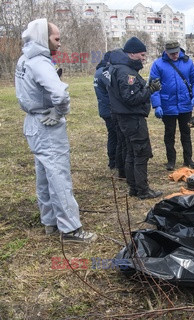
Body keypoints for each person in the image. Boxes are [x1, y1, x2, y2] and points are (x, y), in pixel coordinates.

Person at [15, 19, 96, 243]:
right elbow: (60, 95)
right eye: (56, 39)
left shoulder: (24, 59)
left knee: (43, 174)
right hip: (47, 124)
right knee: (58, 175)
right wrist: (59, 113)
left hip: (32, 123)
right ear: (43, 38)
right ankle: (71, 229)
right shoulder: (40, 62)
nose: (60, 44)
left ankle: (50, 221)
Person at [107, 37, 162, 199]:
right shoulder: (126, 72)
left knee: (131, 152)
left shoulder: (119, 68)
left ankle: (134, 188)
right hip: (132, 119)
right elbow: (130, 98)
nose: (144, 59)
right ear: (132, 54)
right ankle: (142, 190)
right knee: (141, 153)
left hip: (125, 118)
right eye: (142, 55)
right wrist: (150, 90)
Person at [150, 40, 194, 171]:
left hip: (185, 105)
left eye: (177, 53)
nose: (175, 56)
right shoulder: (158, 65)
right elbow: (154, 86)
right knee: (169, 134)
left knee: (186, 133)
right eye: (172, 53)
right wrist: (157, 105)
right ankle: (171, 161)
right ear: (166, 52)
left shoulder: (187, 62)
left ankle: (188, 159)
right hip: (167, 106)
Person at [93, 51, 124, 177]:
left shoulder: (98, 72)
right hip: (110, 109)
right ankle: (115, 161)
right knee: (116, 136)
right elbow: (113, 90)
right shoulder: (104, 73)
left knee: (112, 135)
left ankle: (113, 161)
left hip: (104, 108)